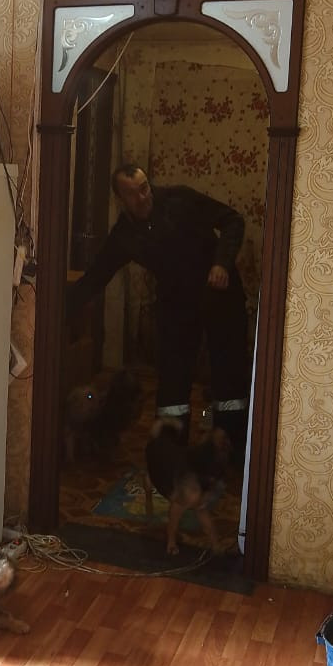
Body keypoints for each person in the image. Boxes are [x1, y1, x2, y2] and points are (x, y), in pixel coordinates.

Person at [66, 163, 251, 456]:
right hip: (178, 304)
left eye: (145, 188)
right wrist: (58, 310)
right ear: (120, 199)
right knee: (173, 384)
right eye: (133, 194)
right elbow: (96, 277)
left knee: (229, 380)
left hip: (220, 293)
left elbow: (233, 221)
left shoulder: (180, 198)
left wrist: (221, 263)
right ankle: (170, 454)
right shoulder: (124, 235)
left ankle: (231, 451)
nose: (142, 197)